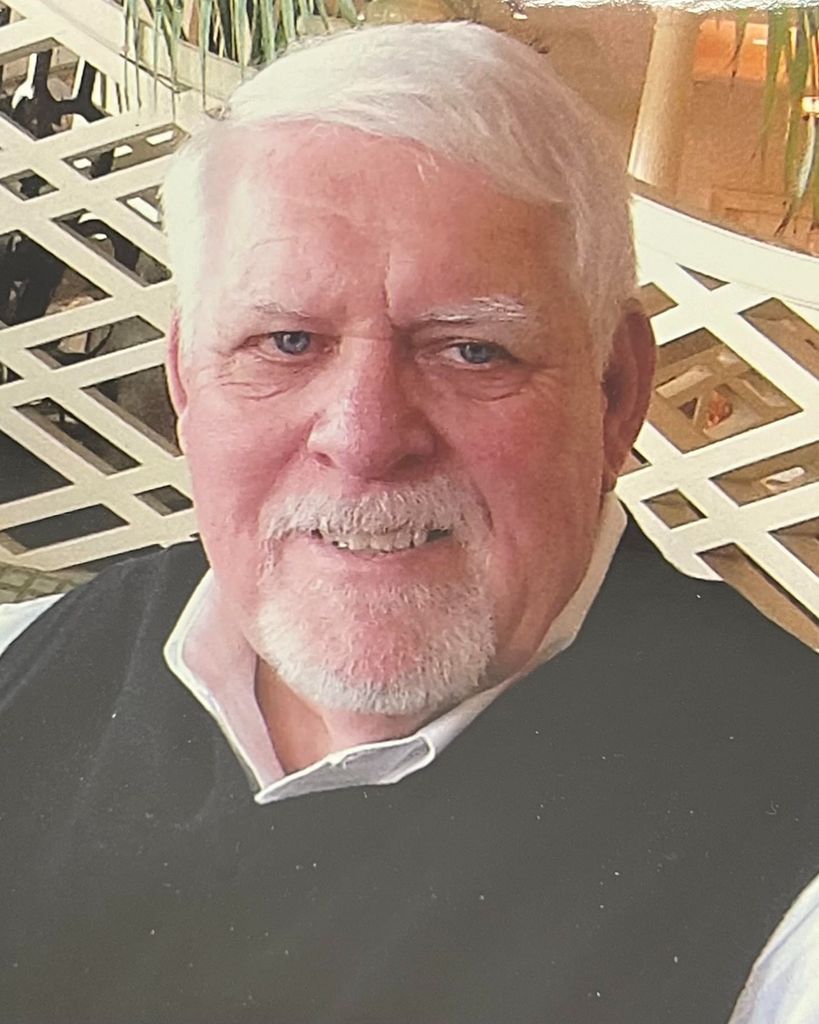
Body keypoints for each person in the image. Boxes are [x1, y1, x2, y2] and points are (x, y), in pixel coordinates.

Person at [1, 21, 817, 1024]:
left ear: (614, 393)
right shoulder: (41, 652)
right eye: (285, 341)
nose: (365, 438)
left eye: (472, 350)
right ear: (184, 381)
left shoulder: (789, 841)